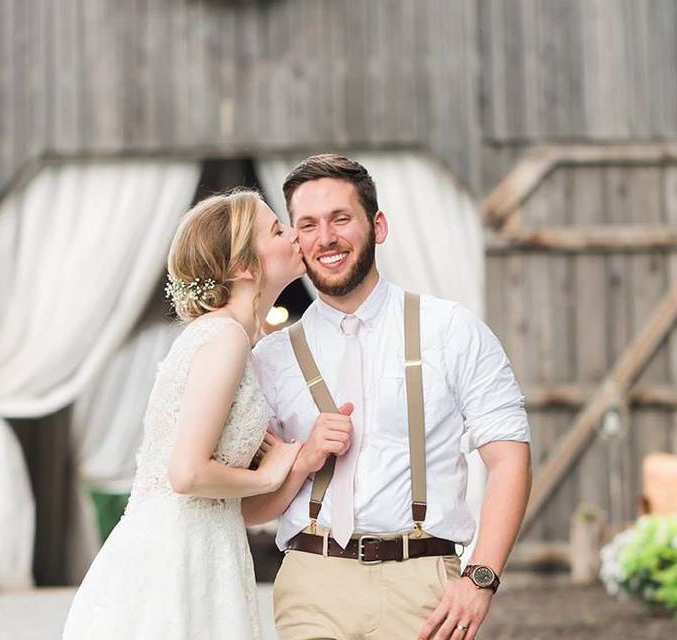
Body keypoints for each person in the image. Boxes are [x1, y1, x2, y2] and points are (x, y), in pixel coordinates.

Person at [244, 154, 533, 640]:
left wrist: (480, 579)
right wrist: (303, 459)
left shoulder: (452, 330)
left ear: (377, 226)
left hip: (423, 585)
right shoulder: (270, 358)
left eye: (341, 218)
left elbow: (509, 460)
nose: (325, 238)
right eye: (308, 225)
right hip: (312, 581)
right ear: (295, 239)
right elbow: (251, 507)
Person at [63, 189, 306, 640]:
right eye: (277, 229)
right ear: (243, 266)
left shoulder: (225, 338)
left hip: (201, 547)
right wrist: (268, 475)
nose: (294, 235)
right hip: (178, 558)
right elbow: (188, 473)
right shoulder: (225, 338)